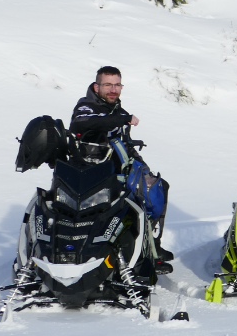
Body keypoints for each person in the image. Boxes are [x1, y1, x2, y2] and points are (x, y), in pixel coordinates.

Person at [70, 66, 173, 273]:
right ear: (96, 86)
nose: (113, 90)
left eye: (117, 85)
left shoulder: (118, 110)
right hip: (91, 175)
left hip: (119, 172)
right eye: (107, 85)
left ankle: (151, 245)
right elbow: (81, 125)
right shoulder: (86, 106)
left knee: (157, 188)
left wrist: (144, 169)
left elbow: (124, 144)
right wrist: (121, 119)